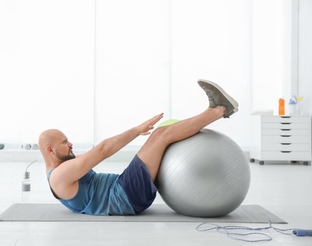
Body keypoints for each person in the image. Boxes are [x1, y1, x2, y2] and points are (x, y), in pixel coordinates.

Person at [38, 79, 238, 216]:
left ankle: (215, 110)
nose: (70, 144)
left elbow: (92, 155)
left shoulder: (61, 169)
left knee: (162, 139)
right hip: (126, 195)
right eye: (64, 142)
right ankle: (218, 110)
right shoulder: (59, 176)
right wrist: (137, 130)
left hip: (125, 190)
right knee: (161, 135)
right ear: (50, 150)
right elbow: (102, 151)